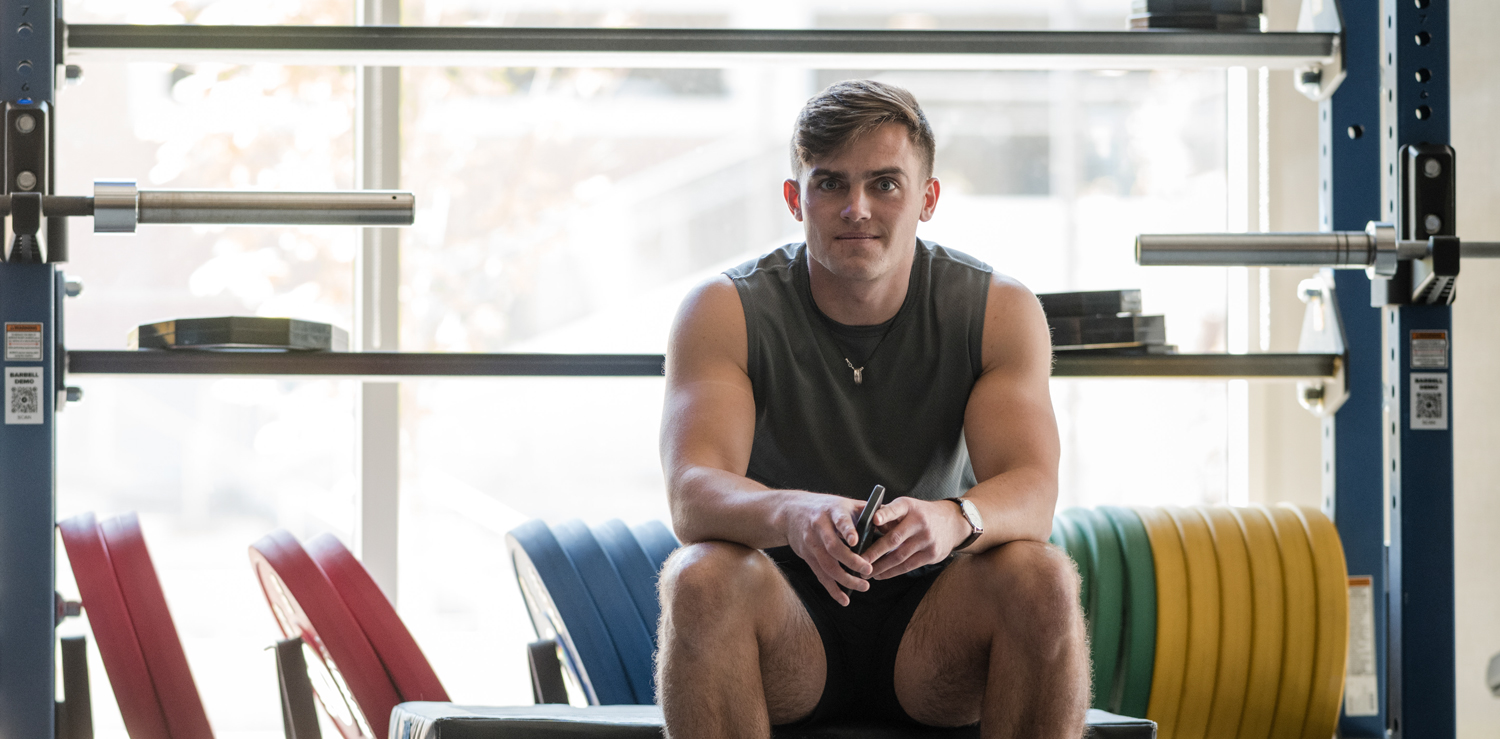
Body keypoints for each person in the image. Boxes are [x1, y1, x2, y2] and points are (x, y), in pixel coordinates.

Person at [656, 79, 1088, 738]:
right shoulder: (723, 309)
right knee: (700, 577)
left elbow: (1035, 490)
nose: (857, 208)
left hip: (934, 626)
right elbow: (692, 495)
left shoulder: (999, 310)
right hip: (787, 623)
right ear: (795, 198)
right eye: (831, 184)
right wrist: (792, 512)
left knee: (1043, 576)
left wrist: (956, 517)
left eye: (885, 184)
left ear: (928, 197)